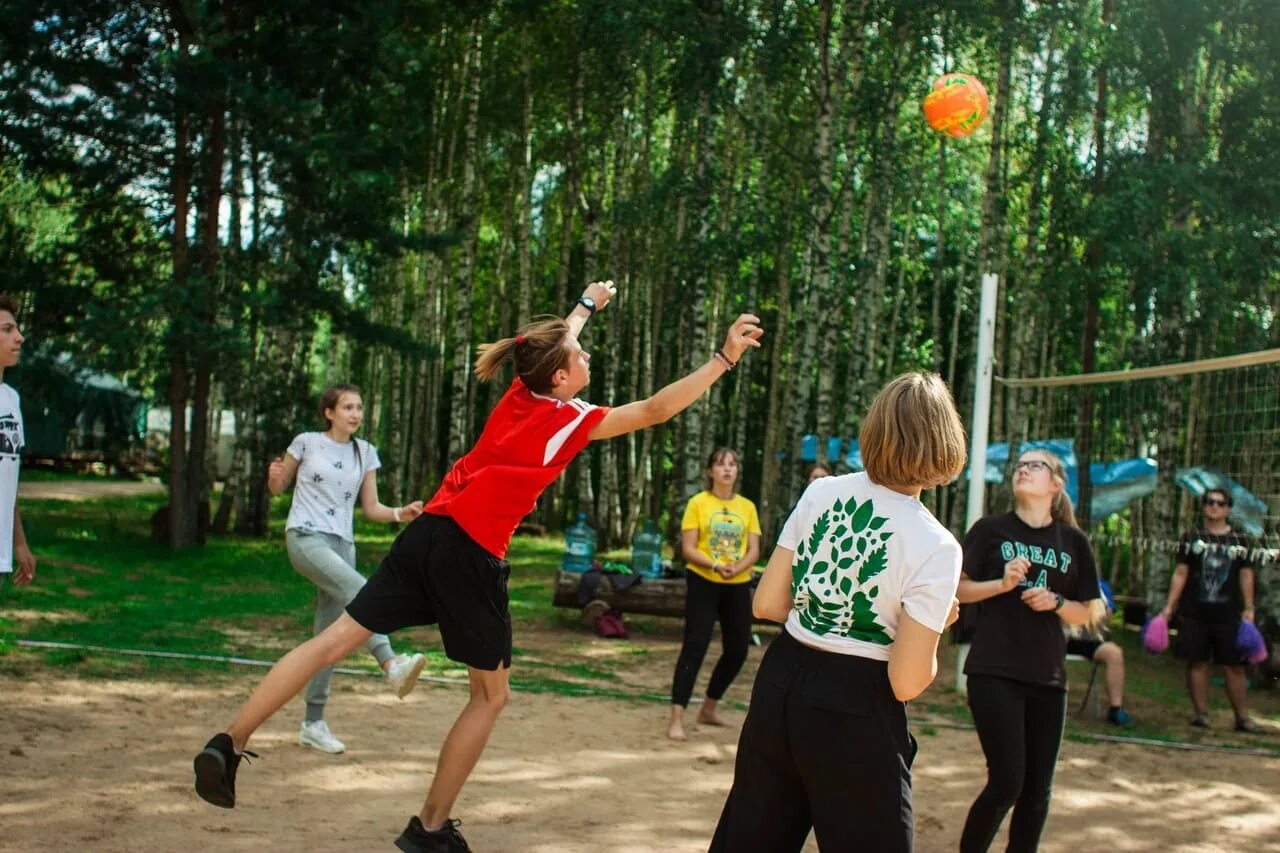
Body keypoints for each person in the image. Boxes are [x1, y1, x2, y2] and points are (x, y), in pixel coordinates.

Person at [193, 280, 763, 852]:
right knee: (490, 698)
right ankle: (430, 830)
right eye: (580, 354)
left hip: (427, 536)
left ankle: (228, 741)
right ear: (561, 378)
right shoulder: (570, 419)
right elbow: (659, 408)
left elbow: (552, 346)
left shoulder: (523, 391)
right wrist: (723, 357)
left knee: (332, 643)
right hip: (472, 556)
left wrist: (586, 307)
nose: (587, 353)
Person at [710, 373, 967, 853]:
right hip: (858, 703)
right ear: (944, 444)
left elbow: (766, 603)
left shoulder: (821, 493)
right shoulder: (937, 547)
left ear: (874, 430)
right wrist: (936, 631)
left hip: (781, 682)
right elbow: (907, 680)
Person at [266, 384, 429, 754]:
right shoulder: (306, 442)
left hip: (343, 545)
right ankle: (390, 663)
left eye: (358, 407)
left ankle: (313, 723)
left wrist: (399, 513)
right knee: (366, 593)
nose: (355, 414)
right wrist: (274, 475)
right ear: (329, 412)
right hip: (306, 538)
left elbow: (370, 508)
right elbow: (278, 487)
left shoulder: (366, 452)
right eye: (347, 407)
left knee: (330, 639)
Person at [957, 449, 1103, 853]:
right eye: (1020, 464)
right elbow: (958, 588)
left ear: (1056, 484)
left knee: (1038, 791)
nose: (1023, 468)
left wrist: (1055, 602)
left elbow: (1086, 613)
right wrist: (1000, 586)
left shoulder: (1074, 541)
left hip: (1047, 678)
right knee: (1007, 782)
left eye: (1034, 464)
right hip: (993, 670)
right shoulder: (989, 530)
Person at [666, 447, 761, 741]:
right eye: (720, 464)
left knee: (738, 649)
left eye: (732, 464)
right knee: (695, 645)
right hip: (703, 581)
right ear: (710, 471)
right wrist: (716, 565)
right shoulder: (698, 503)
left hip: (737, 583)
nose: (727, 469)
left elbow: (754, 549)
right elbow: (689, 549)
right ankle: (677, 717)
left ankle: (709, 708)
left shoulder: (747, 507)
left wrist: (738, 567)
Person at [1157, 487, 1264, 733]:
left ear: (1228, 508)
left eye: (1219, 503)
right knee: (1197, 662)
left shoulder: (1240, 540)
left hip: (1229, 614)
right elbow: (1181, 573)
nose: (1213, 506)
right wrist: (1169, 607)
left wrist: (1249, 608)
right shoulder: (1191, 537)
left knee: (1235, 666)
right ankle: (1201, 715)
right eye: (1209, 502)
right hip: (1195, 612)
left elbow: (1246, 576)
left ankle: (1243, 718)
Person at [0, 295, 34, 594]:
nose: (19, 337)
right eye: (7, 329)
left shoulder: (11, 399)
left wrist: (19, 542)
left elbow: (7, 480)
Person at [1064, 578, 1132, 726]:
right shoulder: (1057, 577)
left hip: (1089, 640)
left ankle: (1116, 709)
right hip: (1057, 637)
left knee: (1114, 653)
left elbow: (1106, 618)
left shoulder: (1100, 586)